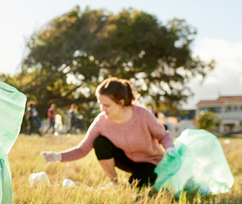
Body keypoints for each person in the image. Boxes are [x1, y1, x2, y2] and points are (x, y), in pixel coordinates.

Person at [40, 78, 174, 187]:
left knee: (135, 186)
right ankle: (114, 182)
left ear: (120, 102)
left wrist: (169, 148)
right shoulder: (101, 121)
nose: (103, 109)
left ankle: (138, 180)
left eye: (107, 105)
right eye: (100, 104)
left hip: (150, 162)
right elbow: (82, 149)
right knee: (99, 142)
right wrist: (58, 156)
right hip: (127, 160)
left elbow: (163, 135)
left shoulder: (142, 114)